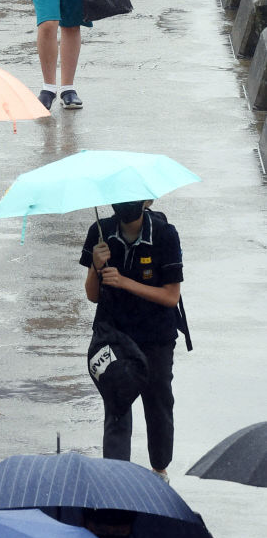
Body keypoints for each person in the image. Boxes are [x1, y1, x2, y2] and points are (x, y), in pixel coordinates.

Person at [81, 201, 184, 482]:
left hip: (156, 337)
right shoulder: (99, 232)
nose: (125, 205)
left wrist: (125, 282)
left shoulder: (165, 235)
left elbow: (170, 297)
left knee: (158, 403)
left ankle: (160, 470)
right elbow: (92, 295)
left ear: (147, 202)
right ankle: (115, 478)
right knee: (116, 405)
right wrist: (95, 265)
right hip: (113, 336)